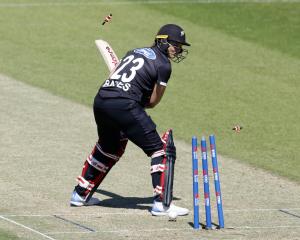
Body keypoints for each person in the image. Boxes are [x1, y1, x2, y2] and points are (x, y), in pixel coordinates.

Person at [70, 24, 191, 216]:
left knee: (109, 148)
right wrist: (137, 100)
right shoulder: (164, 65)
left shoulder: (134, 51)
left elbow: (116, 79)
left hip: (102, 100)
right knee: (160, 149)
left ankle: (80, 194)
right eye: (175, 44)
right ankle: (162, 204)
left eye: (180, 45)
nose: (178, 49)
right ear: (163, 40)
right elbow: (152, 102)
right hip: (125, 104)